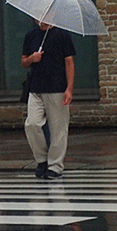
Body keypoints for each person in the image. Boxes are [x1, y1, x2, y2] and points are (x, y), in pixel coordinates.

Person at [21, 20, 75, 180]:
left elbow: (69, 62)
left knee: (58, 128)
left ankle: (55, 166)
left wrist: (69, 89)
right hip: (35, 87)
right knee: (32, 124)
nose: (40, 18)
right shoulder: (30, 35)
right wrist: (32, 58)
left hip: (57, 87)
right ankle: (42, 159)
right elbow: (23, 61)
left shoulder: (62, 35)